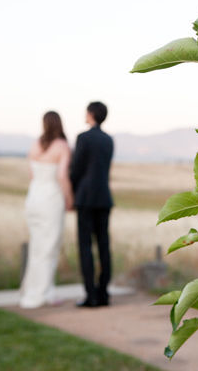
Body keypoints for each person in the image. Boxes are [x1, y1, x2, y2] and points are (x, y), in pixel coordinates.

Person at [19, 111, 73, 309]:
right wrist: (69, 199)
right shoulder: (62, 146)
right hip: (51, 199)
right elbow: (61, 176)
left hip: (34, 198)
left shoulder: (35, 145)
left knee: (37, 247)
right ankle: (41, 293)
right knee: (49, 247)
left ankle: (39, 290)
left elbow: (32, 174)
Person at [70, 101, 114, 307]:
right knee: (104, 246)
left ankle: (91, 295)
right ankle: (104, 293)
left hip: (86, 198)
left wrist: (73, 190)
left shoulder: (83, 138)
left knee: (85, 246)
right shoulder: (108, 140)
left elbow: (76, 168)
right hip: (104, 197)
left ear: (91, 114)